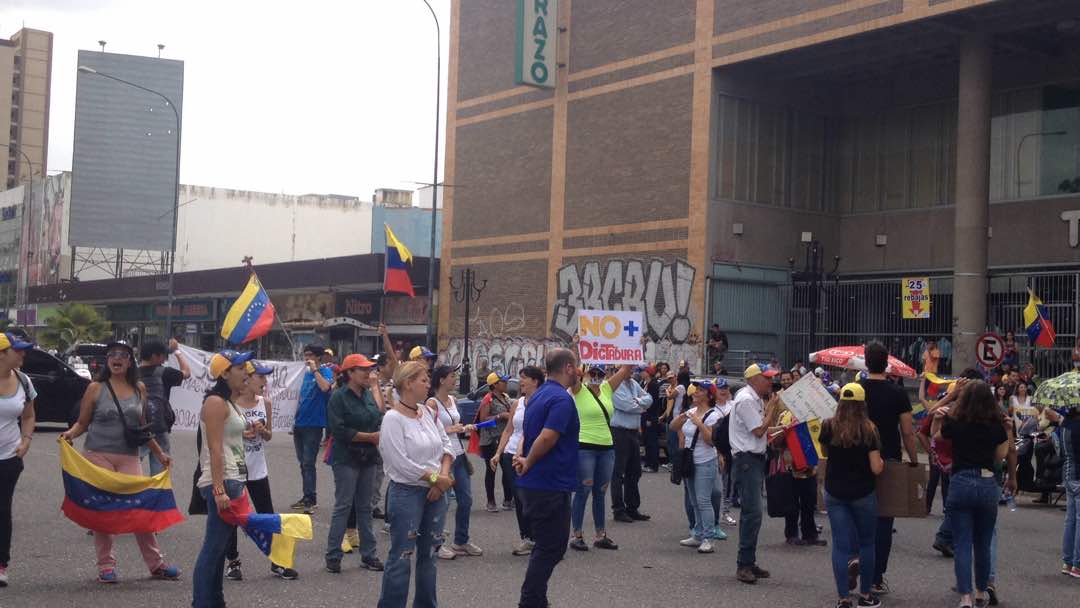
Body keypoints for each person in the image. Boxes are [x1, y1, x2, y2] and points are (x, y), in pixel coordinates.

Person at [60, 340, 179, 584]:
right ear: (107, 360)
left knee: (140, 509)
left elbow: (143, 428)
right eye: (112, 354)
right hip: (98, 454)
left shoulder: (140, 389)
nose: (117, 358)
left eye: (123, 355)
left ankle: (156, 565)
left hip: (129, 456)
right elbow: (82, 423)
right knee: (105, 511)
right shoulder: (95, 388)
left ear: (129, 361)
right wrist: (70, 435)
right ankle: (106, 566)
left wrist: (159, 454)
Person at [376, 361, 453, 608]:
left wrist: (442, 479)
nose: (429, 384)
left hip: (436, 492)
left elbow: (446, 445)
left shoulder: (427, 412)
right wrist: (435, 479)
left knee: (429, 556)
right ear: (408, 383)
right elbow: (400, 463)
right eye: (423, 380)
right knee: (401, 556)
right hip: (407, 493)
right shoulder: (392, 419)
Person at [932, 381, 1009, 608]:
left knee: (963, 543)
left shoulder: (956, 422)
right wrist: (1008, 431)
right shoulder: (995, 426)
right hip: (987, 482)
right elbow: (1001, 455)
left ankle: (964, 596)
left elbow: (936, 437)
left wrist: (938, 418)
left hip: (961, 480)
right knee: (983, 544)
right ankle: (980, 593)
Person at [513, 348, 580, 608]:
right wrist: (528, 460)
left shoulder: (538, 395)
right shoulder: (561, 400)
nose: (579, 371)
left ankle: (536, 600)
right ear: (568, 368)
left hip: (537, 482)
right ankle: (530, 601)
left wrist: (524, 458)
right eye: (577, 366)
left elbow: (529, 434)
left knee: (547, 545)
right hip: (549, 484)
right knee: (550, 547)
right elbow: (548, 436)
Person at [224, 360, 299, 581]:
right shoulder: (229, 403)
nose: (265, 382)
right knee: (233, 518)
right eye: (261, 377)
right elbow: (220, 438)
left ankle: (278, 562)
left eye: (266, 377)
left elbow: (269, 436)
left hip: (258, 469)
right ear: (246, 378)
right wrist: (241, 435)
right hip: (234, 470)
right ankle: (233, 562)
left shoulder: (264, 402)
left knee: (267, 515)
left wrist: (262, 430)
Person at [190, 350, 253, 606]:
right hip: (222, 480)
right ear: (224, 373)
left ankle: (215, 601)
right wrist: (218, 490)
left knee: (219, 549)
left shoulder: (229, 402)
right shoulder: (215, 402)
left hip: (233, 479)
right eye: (240, 368)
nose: (246, 373)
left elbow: (228, 442)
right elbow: (215, 449)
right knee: (213, 549)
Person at [857, 340, 919, 596]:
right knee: (884, 520)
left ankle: (855, 562)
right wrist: (914, 460)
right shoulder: (897, 392)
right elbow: (907, 431)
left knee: (857, 517)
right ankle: (876, 577)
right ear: (888, 362)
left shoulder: (856, 389)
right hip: (889, 458)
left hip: (856, 457)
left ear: (866, 361)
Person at [819, 383, 884, 608]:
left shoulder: (827, 426)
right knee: (867, 543)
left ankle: (843, 598)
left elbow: (825, 454)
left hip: (834, 492)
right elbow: (876, 468)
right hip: (862, 493)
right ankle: (866, 596)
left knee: (840, 546)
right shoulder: (869, 429)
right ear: (862, 404)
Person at [325, 354, 386, 574]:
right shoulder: (338, 397)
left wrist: (374, 436)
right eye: (363, 370)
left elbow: (378, 416)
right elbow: (339, 430)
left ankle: (369, 555)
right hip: (346, 459)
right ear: (349, 373)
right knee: (343, 506)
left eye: (369, 370)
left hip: (368, 458)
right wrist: (368, 437)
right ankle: (333, 555)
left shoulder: (368, 394)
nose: (368, 374)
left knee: (365, 508)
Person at [568, 359, 633, 551]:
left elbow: (626, 369)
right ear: (586, 375)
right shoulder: (579, 390)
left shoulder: (607, 388)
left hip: (607, 447)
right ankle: (577, 535)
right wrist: (578, 348)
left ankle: (600, 534)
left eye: (600, 374)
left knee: (601, 492)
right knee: (583, 490)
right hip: (584, 447)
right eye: (592, 374)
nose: (596, 378)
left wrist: (636, 346)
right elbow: (570, 373)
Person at [730, 363, 782, 584]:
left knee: (752, 513)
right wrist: (771, 409)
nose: (770, 382)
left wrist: (782, 428)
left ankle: (748, 561)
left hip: (753, 459)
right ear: (753, 379)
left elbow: (761, 431)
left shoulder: (753, 398)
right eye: (766, 378)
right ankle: (744, 564)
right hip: (747, 460)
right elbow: (759, 429)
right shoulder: (747, 400)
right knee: (753, 513)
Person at [427, 365, 482, 560]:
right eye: (452, 376)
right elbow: (429, 431)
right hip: (442, 457)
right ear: (441, 380)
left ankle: (461, 540)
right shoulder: (432, 404)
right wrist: (451, 430)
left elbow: (454, 423)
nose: (455, 379)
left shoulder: (452, 399)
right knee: (442, 502)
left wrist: (462, 428)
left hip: (458, 454)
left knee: (466, 499)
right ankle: (436, 542)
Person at [492, 366, 545, 556]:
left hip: (532, 455)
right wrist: (498, 453)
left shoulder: (543, 402)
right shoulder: (518, 403)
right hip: (510, 455)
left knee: (533, 497)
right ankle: (528, 538)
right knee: (520, 498)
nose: (520, 381)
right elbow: (509, 430)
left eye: (524, 378)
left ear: (535, 381)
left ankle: (541, 537)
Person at [673, 380, 727, 553]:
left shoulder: (714, 415)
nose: (695, 392)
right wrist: (682, 418)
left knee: (704, 501)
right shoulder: (691, 411)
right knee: (694, 501)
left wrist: (699, 423)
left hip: (705, 462)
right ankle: (697, 534)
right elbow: (673, 427)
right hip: (690, 461)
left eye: (700, 390)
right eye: (696, 390)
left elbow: (711, 440)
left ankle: (709, 538)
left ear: (709, 395)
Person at [0, 333, 35, 587]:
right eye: (18, 350)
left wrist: (26, 441)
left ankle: (1, 564)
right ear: (2, 353)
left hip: (9, 457)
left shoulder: (23, 380)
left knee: (2, 511)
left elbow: (29, 415)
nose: (23, 354)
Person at [137, 339, 190, 476]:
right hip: (159, 428)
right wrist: (177, 352)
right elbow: (186, 372)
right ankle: (156, 496)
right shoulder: (165, 372)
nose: (164, 359)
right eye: (163, 355)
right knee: (159, 474)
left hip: (137, 429)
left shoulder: (132, 374)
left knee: (130, 470)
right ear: (155, 356)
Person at [291, 344, 334, 514]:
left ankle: (311, 498)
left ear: (318, 357)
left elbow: (325, 388)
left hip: (313, 425)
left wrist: (315, 371)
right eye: (305, 355)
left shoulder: (325, 372)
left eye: (310, 355)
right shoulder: (300, 373)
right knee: (303, 463)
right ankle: (306, 495)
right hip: (298, 424)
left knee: (308, 462)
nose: (306, 358)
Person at [776, 405, 825, 547]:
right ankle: (791, 534)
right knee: (791, 502)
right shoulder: (784, 415)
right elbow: (775, 441)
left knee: (809, 501)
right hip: (790, 462)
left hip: (810, 464)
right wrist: (785, 432)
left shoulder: (814, 414)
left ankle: (810, 534)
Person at [610, 360, 652, 523]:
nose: (632, 371)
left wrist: (638, 403)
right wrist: (641, 404)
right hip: (619, 431)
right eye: (629, 368)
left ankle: (632, 508)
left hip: (633, 432)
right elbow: (626, 405)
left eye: (632, 368)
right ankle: (618, 510)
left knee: (635, 471)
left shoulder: (633, 383)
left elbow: (649, 398)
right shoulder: (614, 384)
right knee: (618, 472)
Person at [478, 372, 514, 512]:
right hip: (490, 440)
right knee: (491, 470)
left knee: (508, 470)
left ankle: (508, 500)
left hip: (504, 439)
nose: (506, 384)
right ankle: (491, 502)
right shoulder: (488, 399)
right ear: (495, 385)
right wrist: (500, 416)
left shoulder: (505, 397)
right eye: (503, 382)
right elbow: (483, 420)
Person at [1061, 405, 1080, 578]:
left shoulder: (1066, 424)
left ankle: (1067, 562)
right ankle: (1077, 565)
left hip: (1068, 473)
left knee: (1070, 520)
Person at [641, 366, 663, 473]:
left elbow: (653, 403)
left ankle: (653, 465)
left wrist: (650, 418)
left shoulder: (653, 385)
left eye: (643, 371)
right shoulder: (645, 384)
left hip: (651, 416)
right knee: (647, 441)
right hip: (644, 415)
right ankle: (648, 463)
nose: (641, 373)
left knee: (652, 442)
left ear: (648, 373)